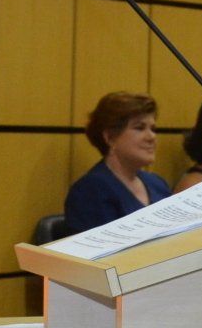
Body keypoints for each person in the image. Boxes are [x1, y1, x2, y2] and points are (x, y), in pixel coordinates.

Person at [65, 92, 172, 234]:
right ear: (110, 137)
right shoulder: (89, 191)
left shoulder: (158, 184)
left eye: (153, 129)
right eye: (139, 128)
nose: (152, 137)